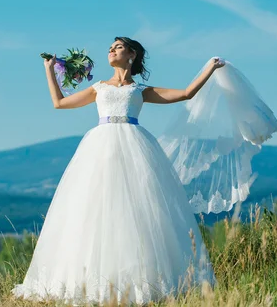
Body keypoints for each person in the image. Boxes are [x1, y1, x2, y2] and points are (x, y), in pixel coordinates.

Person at [12, 36, 224, 305]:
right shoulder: (98, 88)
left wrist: (210, 68)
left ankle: (140, 280)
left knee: (138, 211)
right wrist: (49, 70)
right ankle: (89, 281)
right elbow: (59, 103)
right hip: (99, 150)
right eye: (110, 47)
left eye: (118, 47)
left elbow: (186, 93)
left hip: (136, 149)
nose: (111, 50)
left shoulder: (141, 90)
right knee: (93, 211)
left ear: (132, 55)